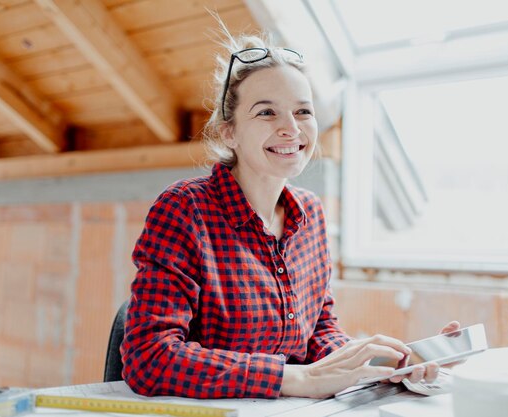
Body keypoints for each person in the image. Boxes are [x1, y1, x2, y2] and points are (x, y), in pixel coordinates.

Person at [120, 29, 459, 399]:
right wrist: (295, 379)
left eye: (303, 111)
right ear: (228, 132)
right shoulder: (186, 208)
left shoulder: (310, 213)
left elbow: (319, 334)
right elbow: (148, 358)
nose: (291, 128)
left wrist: (382, 365)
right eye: (267, 112)